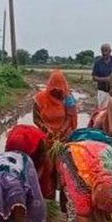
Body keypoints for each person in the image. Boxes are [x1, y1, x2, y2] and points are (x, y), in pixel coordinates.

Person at [33, 70, 78, 198]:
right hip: (45, 138)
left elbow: (69, 118)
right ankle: (48, 196)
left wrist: (61, 132)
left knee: (65, 170)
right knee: (46, 168)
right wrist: (45, 128)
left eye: (59, 89)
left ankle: (66, 201)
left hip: (63, 138)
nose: (57, 92)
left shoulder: (68, 99)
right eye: (54, 89)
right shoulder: (40, 98)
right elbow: (36, 118)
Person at [5, 124, 52, 197]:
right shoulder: (11, 148)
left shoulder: (39, 152)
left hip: (39, 170)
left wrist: (32, 184)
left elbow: (41, 166)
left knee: (41, 194)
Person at [91, 43, 112, 108]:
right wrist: (106, 79)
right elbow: (94, 77)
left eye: (106, 51)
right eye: (102, 51)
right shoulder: (98, 63)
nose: (104, 53)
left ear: (110, 51)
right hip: (103, 92)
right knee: (103, 111)